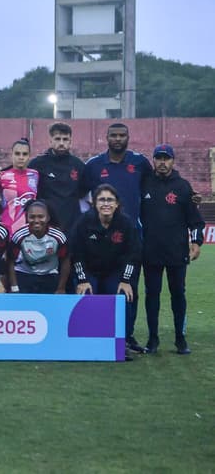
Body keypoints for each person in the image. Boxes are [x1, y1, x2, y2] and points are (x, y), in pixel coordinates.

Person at [82, 123, 152, 353]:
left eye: (122, 135)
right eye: (114, 135)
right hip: (100, 238)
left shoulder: (140, 163)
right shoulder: (93, 166)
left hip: (131, 237)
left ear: (128, 138)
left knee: (129, 287)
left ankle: (127, 336)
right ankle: (97, 334)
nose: (118, 139)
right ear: (107, 138)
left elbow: (153, 189)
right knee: (101, 287)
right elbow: (80, 195)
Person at [140, 144, 205, 354]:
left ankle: (180, 339)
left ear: (173, 161)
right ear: (153, 160)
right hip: (150, 252)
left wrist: (196, 243)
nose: (162, 162)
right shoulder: (144, 183)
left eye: (166, 158)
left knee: (178, 294)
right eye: (158, 158)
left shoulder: (183, 187)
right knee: (152, 295)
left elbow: (195, 221)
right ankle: (153, 340)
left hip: (177, 252)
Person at [70, 184, 140, 359]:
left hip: (114, 273)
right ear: (94, 203)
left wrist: (125, 280)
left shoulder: (126, 224)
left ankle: (121, 343)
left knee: (123, 295)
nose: (106, 203)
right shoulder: (84, 222)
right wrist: (82, 279)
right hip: (89, 272)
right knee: (85, 293)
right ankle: (86, 342)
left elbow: (133, 255)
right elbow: (76, 254)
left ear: (117, 204)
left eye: (110, 200)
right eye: (102, 199)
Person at [28, 122, 87, 234]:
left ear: (70, 141)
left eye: (65, 139)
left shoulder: (78, 165)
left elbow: (83, 192)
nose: (61, 143)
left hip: (72, 224)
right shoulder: (37, 164)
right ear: (50, 141)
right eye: (57, 139)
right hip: (46, 225)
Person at [7, 200, 69, 294]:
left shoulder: (58, 237)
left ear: (48, 218)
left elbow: (65, 261)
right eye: (32, 217)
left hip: (49, 275)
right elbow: (10, 260)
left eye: (41, 217)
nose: (36, 221)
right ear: (27, 218)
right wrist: (14, 287)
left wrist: (61, 288)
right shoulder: (19, 236)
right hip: (24, 274)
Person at [0, 138, 39, 237]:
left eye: (24, 154)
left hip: (30, 230)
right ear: (11, 154)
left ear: (29, 156)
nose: (21, 157)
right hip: (8, 229)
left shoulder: (35, 175)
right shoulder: (1, 176)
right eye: (17, 154)